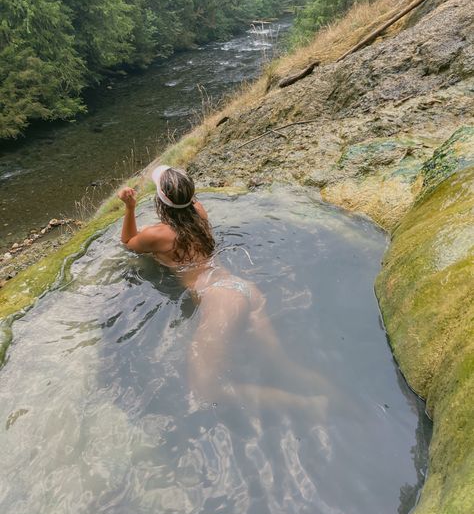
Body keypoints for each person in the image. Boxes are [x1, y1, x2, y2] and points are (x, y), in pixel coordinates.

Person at [118, 165, 328, 415]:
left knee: (205, 391)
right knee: (286, 365)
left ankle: (310, 407)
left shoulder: (158, 235)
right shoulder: (199, 212)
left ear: (160, 201)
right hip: (243, 287)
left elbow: (128, 243)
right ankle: (343, 402)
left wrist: (130, 208)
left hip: (220, 297)